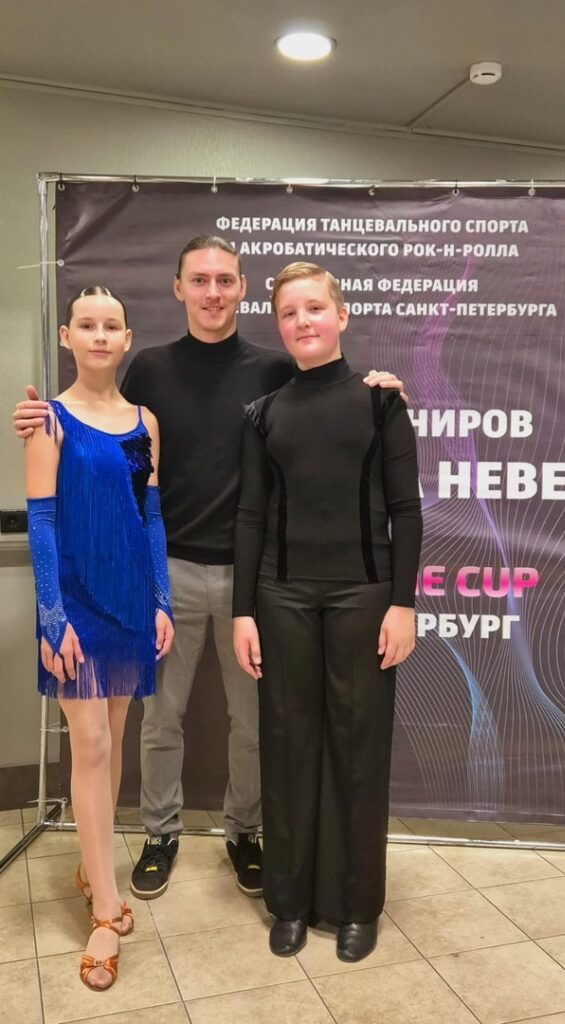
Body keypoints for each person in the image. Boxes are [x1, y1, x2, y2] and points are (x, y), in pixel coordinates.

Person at [14, 235, 406, 902]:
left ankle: (243, 833)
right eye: (200, 280)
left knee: (250, 722)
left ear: (243, 288)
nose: (213, 291)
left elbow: (328, 392)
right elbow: (101, 426)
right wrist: (38, 417)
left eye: (225, 279)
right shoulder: (149, 369)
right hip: (162, 573)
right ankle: (159, 834)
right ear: (179, 289)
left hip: (255, 579)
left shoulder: (273, 369)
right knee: (161, 720)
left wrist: (381, 387)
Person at [233, 262, 422, 962]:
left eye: (314, 308)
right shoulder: (263, 414)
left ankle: (355, 905)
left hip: (363, 597)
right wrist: (242, 611)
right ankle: (289, 900)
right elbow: (251, 516)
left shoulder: (381, 403)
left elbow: (406, 511)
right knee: (287, 744)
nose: (302, 321)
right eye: (289, 313)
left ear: (340, 316)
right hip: (281, 597)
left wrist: (402, 604)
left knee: (357, 749)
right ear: (279, 326)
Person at [25, 286, 174, 990]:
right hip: (75, 606)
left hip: (130, 603)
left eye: (111, 325)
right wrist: (52, 617)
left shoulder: (145, 421)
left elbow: (152, 515)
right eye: (86, 324)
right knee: (87, 743)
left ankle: (92, 869)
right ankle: (106, 910)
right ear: (67, 336)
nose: (99, 335)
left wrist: (161, 600)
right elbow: (42, 521)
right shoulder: (48, 421)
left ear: (126, 338)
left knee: (110, 743)